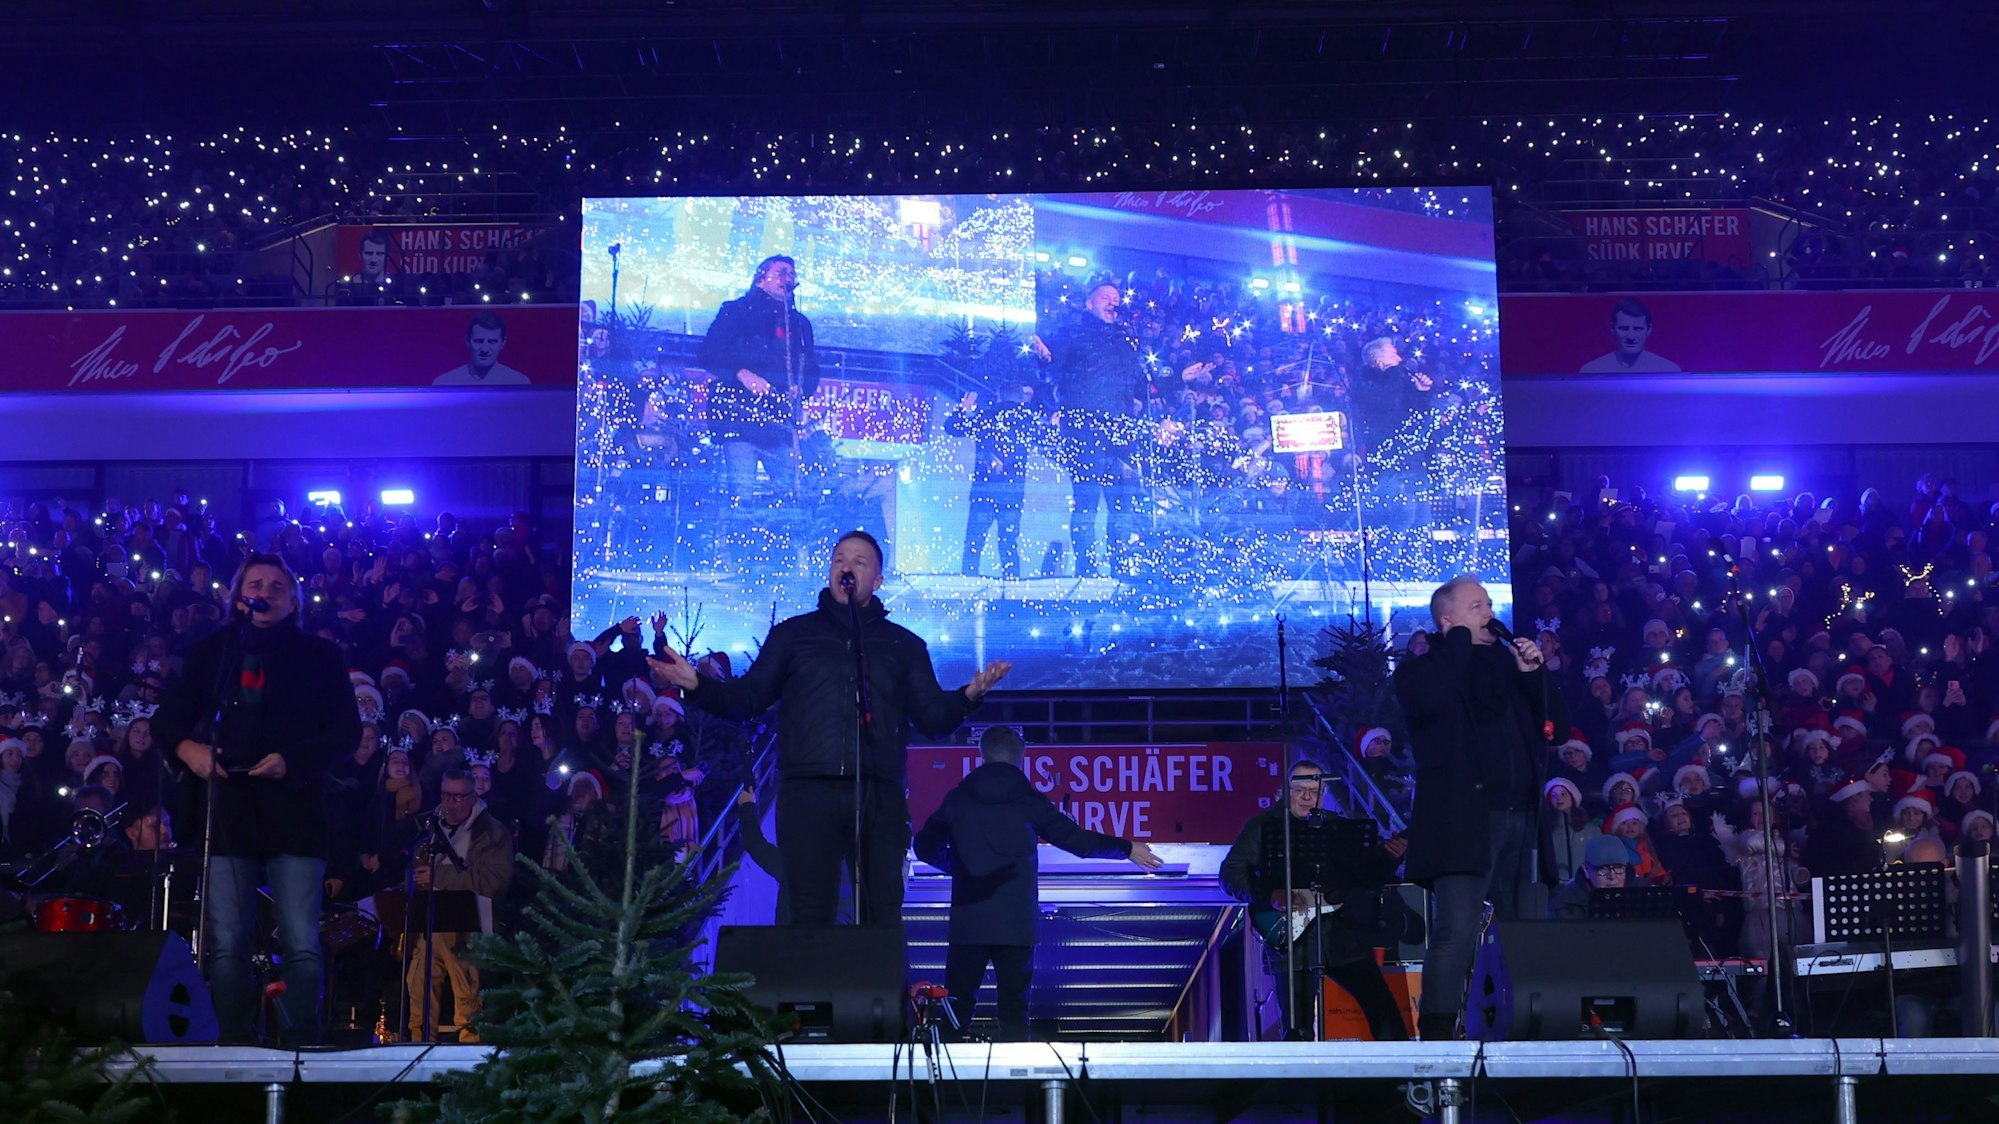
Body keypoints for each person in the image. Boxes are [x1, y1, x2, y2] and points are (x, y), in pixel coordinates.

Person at [650, 530, 1010, 927]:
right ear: (829, 573)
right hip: (807, 792)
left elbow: (933, 718)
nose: (847, 567)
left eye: (859, 561)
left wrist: (969, 695)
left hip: (878, 793)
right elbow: (749, 698)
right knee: (807, 911)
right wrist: (698, 686)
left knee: (881, 909)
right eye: (840, 559)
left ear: (878, 580)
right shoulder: (793, 635)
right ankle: (809, 990)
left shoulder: (903, 646)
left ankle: (880, 989)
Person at [151, 553, 361, 1046]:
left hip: (295, 809)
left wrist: (292, 761)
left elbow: (346, 733)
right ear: (236, 594)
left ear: (292, 600)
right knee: (226, 944)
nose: (263, 590)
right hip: (227, 810)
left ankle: (299, 1039)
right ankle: (231, 1042)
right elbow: (168, 719)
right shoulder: (213, 654)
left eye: (275, 585)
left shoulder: (320, 656)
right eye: (254, 582)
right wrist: (189, 750)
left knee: (300, 940)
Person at [1392, 575, 1567, 1041]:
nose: (1489, 612)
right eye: (1476, 607)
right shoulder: (1422, 670)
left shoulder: (1508, 669)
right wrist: (1459, 641)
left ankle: (1532, 1029)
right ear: (1447, 621)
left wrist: (1535, 676)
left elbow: (1559, 728)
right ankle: (1436, 1035)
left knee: (1528, 932)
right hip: (1467, 822)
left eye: (1489, 604)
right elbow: (1433, 695)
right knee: (1458, 931)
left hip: (1523, 819)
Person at [913, 727, 1159, 1040]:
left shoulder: (958, 799)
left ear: (982, 754)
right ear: (1022, 757)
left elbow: (924, 846)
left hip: (968, 924)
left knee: (956, 1011)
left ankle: (949, 1086)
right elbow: (1077, 841)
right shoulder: (1029, 800)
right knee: (1014, 1016)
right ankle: (1018, 1086)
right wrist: (1126, 848)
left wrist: (957, 866)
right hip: (1017, 925)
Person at [1221, 758, 1411, 1041]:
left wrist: (1389, 858)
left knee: (1383, 1009)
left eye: (1314, 791)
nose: (1307, 798)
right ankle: (1300, 1084)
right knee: (1297, 1029)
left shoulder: (1339, 828)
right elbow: (1230, 873)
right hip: (1290, 938)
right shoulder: (1262, 826)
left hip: (1340, 934)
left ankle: (1401, 1080)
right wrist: (1268, 895)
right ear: (1286, 791)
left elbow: (1366, 877)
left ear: (1323, 794)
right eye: (1300, 791)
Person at [1029, 279, 1148, 578]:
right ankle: (1087, 569)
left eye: (1116, 298)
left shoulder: (1125, 339)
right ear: (1089, 303)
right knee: (1088, 500)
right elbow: (1051, 365)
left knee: (1121, 502)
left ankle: (1120, 566)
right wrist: (1044, 359)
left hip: (1120, 430)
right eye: (1106, 297)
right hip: (1084, 429)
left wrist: (1175, 380)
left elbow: (1142, 380)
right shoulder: (1073, 333)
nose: (1113, 302)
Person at [696, 255, 821, 509]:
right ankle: (740, 537)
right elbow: (709, 352)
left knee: (787, 491)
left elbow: (810, 366)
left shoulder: (798, 323)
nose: (788, 278)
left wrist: (801, 388)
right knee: (743, 492)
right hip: (739, 416)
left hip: (779, 422)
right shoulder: (736, 311)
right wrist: (740, 372)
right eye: (781, 272)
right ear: (761, 278)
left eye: (791, 274)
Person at [405, 767, 514, 1043]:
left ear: (472, 795)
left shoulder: (491, 832)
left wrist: (439, 876)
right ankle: (418, 1042)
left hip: (469, 924)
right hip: (430, 920)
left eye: (457, 797)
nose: (449, 803)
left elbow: (494, 882)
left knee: (467, 987)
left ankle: (470, 1047)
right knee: (418, 982)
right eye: (445, 795)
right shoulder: (432, 827)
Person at [944, 381, 1042, 580]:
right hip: (1012, 493)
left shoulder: (986, 416)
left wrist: (962, 408)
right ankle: (1012, 587)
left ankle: (969, 583)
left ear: (999, 395)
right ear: (1020, 398)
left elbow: (952, 427)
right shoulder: (1027, 421)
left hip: (984, 491)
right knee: (1008, 543)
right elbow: (1049, 439)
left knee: (974, 542)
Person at [1579, 298, 1682, 374]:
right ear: (1612, 329)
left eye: (1638, 329)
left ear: (1649, 330)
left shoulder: (1669, 370)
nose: (1631, 337)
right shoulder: (1591, 371)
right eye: (1624, 328)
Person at [432, 311, 530, 386]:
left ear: (503, 342)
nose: (485, 349)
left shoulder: (519, 382)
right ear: (467, 341)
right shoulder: (445, 383)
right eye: (479, 341)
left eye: (492, 342)